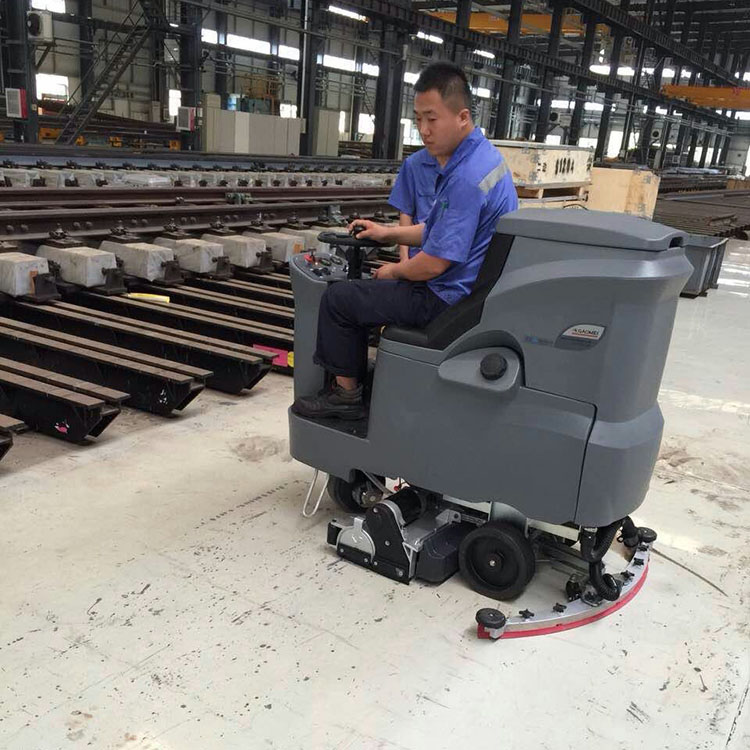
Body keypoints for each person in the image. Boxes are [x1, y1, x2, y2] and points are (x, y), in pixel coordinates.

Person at [292, 62, 518, 421]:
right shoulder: (482, 159)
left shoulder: (465, 177)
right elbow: (441, 231)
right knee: (365, 296)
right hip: (470, 289)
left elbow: (433, 264)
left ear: (462, 117)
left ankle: (346, 396)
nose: (423, 130)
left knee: (339, 300)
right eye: (418, 119)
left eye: (432, 119)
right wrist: (387, 233)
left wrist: (394, 272)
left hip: (446, 297)